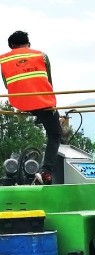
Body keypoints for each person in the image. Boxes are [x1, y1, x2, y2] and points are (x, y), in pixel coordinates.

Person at [0, 30, 62, 185]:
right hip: (42, 101)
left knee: (36, 112)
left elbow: (7, 84)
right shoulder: (41, 55)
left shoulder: (3, 60)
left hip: (19, 103)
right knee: (55, 134)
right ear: (28, 43)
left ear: (11, 46)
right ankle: (46, 171)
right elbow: (48, 80)